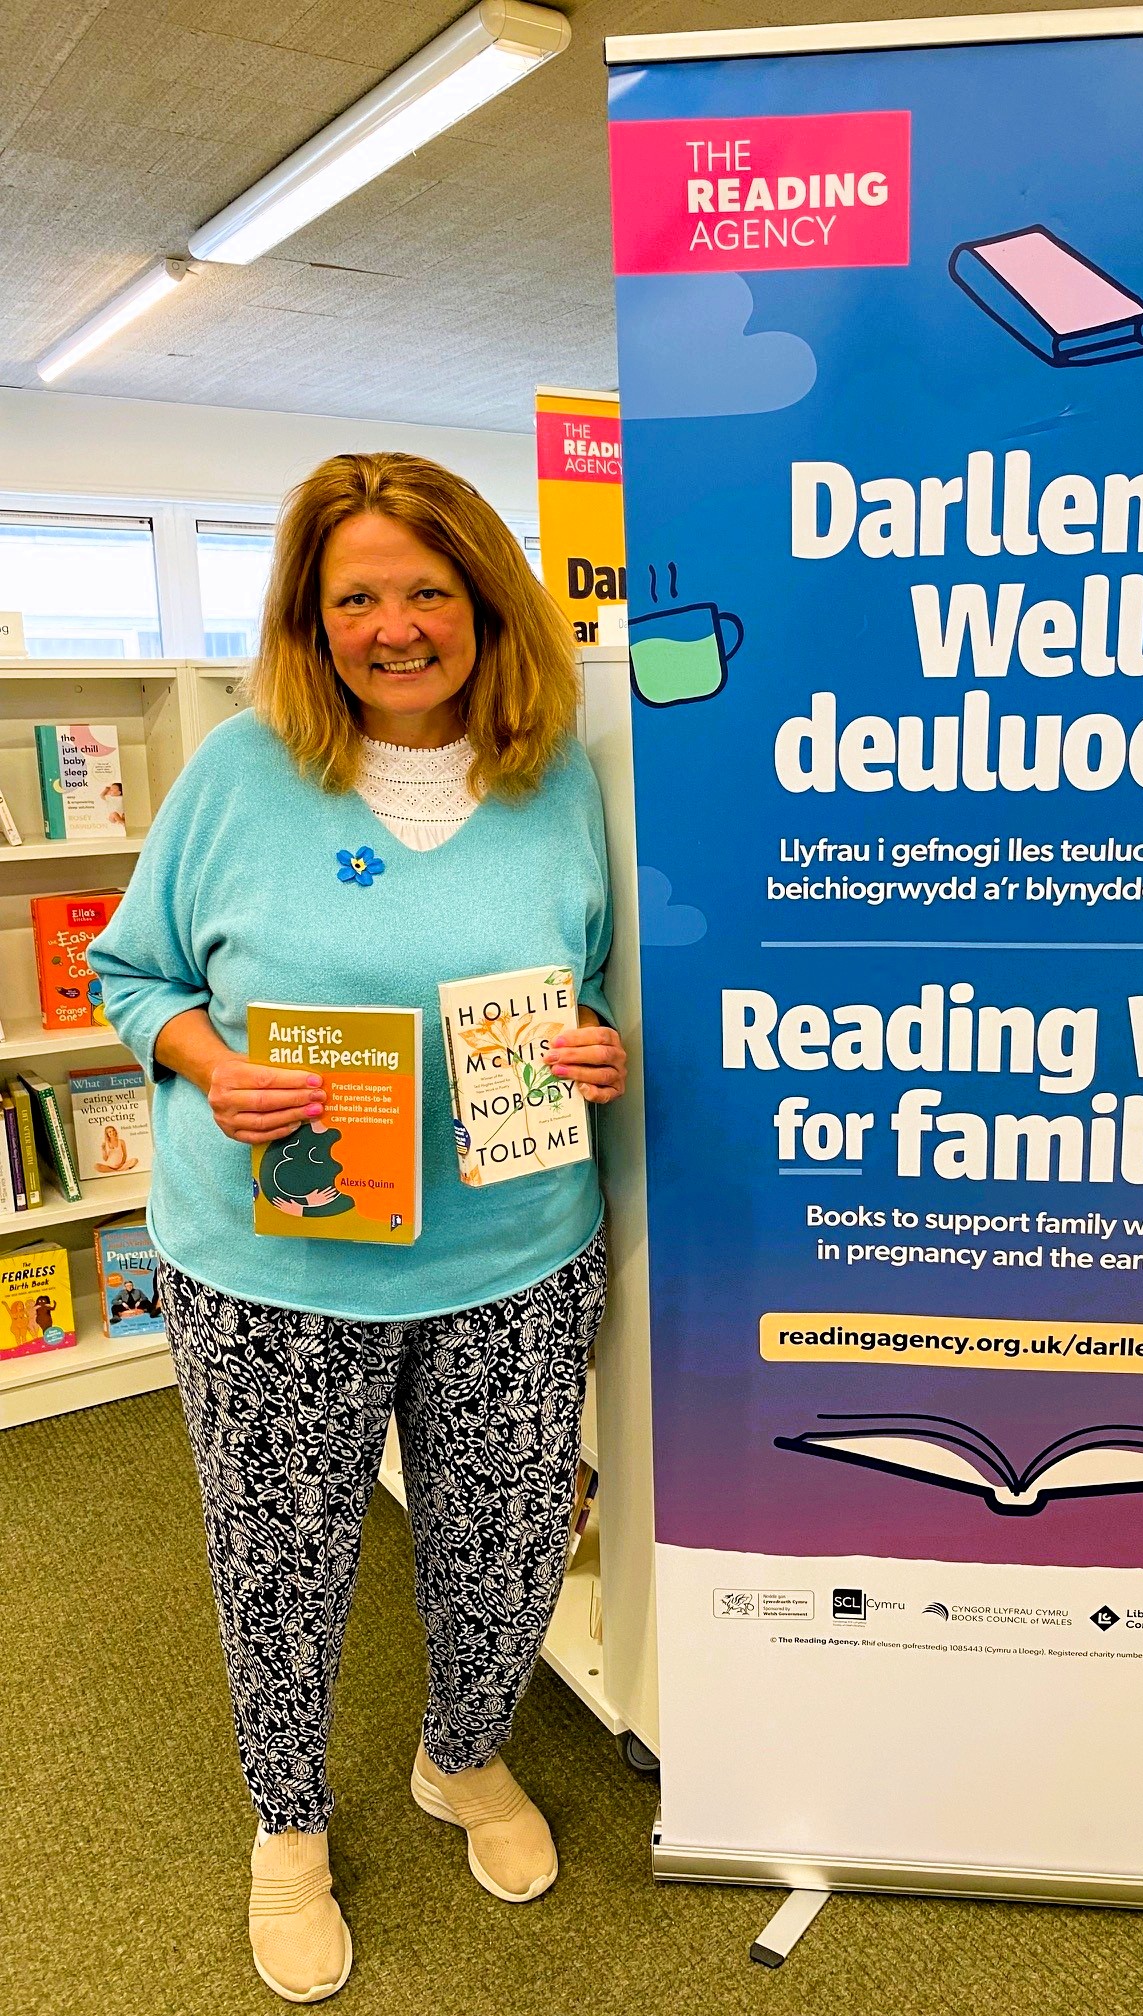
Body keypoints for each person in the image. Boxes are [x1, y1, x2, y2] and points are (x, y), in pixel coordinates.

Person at [90, 451, 627, 2005]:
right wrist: (213, 1067)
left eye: (427, 591)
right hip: (276, 1271)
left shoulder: (558, 777)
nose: (395, 627)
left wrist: (598, 1043)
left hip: (515, 1256)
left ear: (486, 601)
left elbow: (588, 977)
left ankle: (462, 1756)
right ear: (309, 620)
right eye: (355, 599)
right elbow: (132, 975)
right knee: (282, 1568)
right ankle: (289, 1823)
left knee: (508, 1548)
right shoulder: (241, 772)